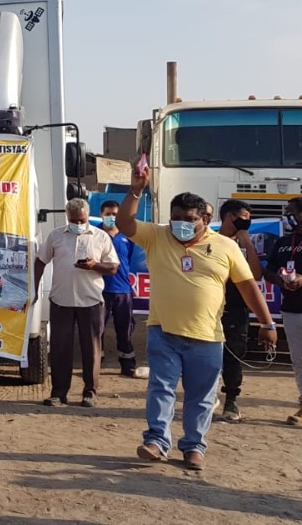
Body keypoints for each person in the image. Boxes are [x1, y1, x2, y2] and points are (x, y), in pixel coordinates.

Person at [118, 167, 276, 471]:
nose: (182, 224)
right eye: (177, 217)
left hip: (207, 337)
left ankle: (193, 447)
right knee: (161, 387)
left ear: (205, 219)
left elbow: (247, 287)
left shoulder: (226, 246)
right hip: (163, 331)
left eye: (190, 219)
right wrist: (136, 190)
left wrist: (267, 324)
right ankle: (156, 442)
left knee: (202, 396)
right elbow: (125, 223)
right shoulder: (157, 236)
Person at [33, 198, 119, 407]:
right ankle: (59, 392)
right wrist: (34, 290)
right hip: (61, 301)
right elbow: (40, 262)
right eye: (74, 220)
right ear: (67, 217)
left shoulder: (100, 237)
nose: (78, 224)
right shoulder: (56, 236)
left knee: (91, 349)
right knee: (61, 348)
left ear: (87, 216)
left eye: (81, 220)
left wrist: (94, 266)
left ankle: (90, 392)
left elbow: (113, 267)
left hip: (91, 301)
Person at [215, 199, 263, 423]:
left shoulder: (245, 244)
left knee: (233, 356)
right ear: (229, 217)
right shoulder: (211, 240)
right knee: (205, 356)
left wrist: (247, 245)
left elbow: (256, 276)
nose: (247, 221)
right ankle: (206, 398)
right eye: (243, 217)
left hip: (236, 310)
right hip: (209, 308)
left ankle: (231, 401)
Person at [263, 197, 302, 425]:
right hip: (291, 309)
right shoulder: (282, 242)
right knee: (298, 360)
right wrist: (280, 280)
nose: (287, 215)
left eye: (291, 211)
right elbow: (267, 271)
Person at [98, 200, 138, 377]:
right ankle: (96, 361)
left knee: (124, 329)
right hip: (99, 289)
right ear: (101, 215)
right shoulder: (95, 233)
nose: (111, 217)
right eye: (108, 214)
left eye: (115, 214)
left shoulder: (127, 235)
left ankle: (127, 363)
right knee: (97, 328)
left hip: (123, 290)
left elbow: (127, 258)